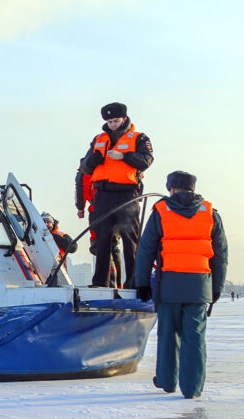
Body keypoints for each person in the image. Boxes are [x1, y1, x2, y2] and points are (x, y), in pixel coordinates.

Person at [135, 171, 227, 399]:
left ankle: (167, 381)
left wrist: (143, 282)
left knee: (168, 334)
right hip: (199, 286)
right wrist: (216, 287)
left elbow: (145, 250)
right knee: (194, 338)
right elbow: (221, 255)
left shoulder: (161, 211)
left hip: (169, 285)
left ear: (171, 188)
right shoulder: (210, 213)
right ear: (193, 189)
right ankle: (192, 388)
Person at [80, 102, 153, 288]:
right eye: (110, 121)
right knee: (103, 239)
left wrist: (125, 156)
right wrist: (93, 160)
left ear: (124, 119)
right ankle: (100, 283)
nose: (113, 124)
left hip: (127, 194)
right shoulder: (98, 139)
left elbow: (146, 160)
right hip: (103, 194)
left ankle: (134, 282)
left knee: (130, 239)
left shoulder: (139, 138)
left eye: (116, 120)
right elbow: (85, 167)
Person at [75, 168, 123, 287]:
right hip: (121, 207)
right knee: (114, 246)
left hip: (99, 209)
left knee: (101, 246)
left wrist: (80, 207)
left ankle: (108, 284)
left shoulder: (89, 165)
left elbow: (82, 186)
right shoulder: (117, 163)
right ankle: (118, 284)